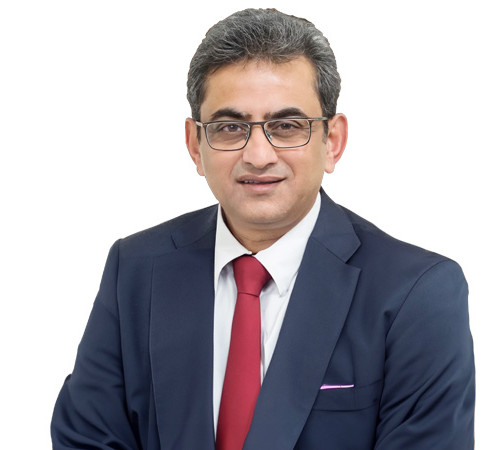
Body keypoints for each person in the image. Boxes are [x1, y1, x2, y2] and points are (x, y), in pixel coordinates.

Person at [51, 8, 474, 450]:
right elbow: (86, 439)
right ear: (195, 145)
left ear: (332, 141)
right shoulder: (136, 270)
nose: (258, 155)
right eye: (230, 127)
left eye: (286, 126)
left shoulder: (417, 293)